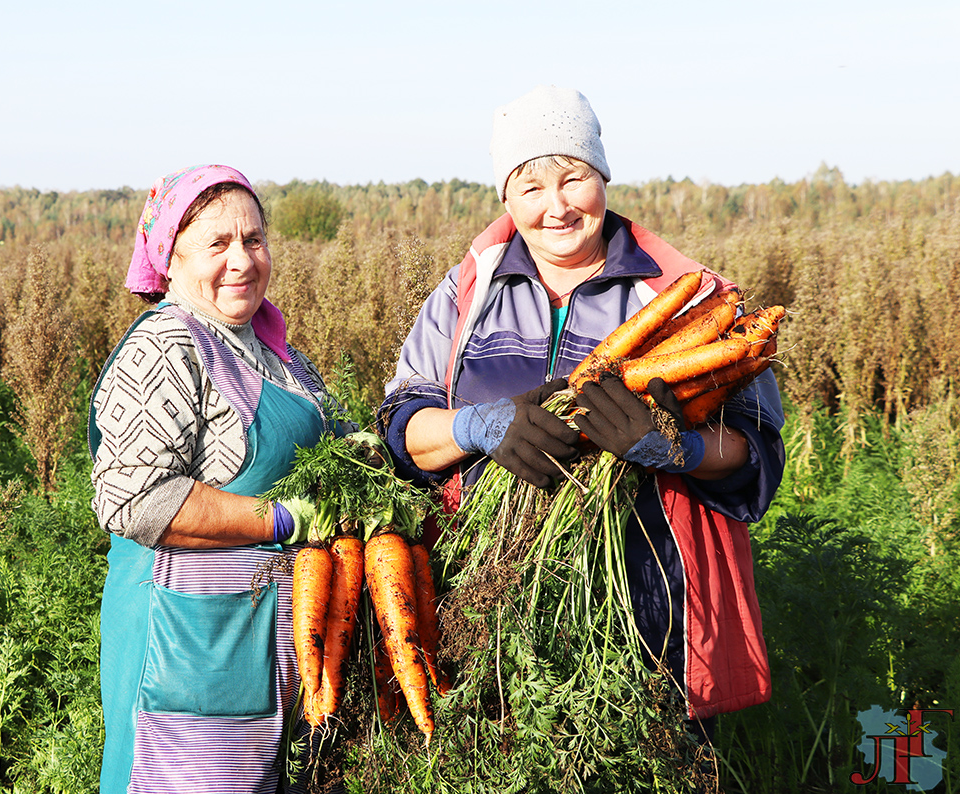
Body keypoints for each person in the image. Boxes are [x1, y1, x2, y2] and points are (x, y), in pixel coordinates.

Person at [378, 86, 785, 738]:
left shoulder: (690, 297)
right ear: (504, 198)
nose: (556, 206)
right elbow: (401, 426)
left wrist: (677, 448)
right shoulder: (466, 294)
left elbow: (755, 449)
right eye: (530, 186)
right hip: (491, 606)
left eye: (573, 178)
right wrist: (471, 426)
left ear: (602, 177)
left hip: (647, 617)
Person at [88, 165, 335, 794]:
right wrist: (283, 520)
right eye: (216, 244)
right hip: (188, 651)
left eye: (253, 240)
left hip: (271, 650)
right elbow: (138, 501)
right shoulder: (166, 346)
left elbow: (341, 442)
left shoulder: (273, 350)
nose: (242, 260)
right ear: (169, 260)